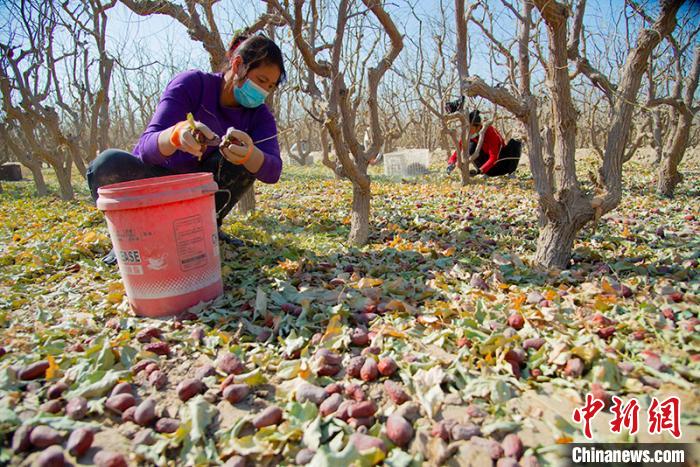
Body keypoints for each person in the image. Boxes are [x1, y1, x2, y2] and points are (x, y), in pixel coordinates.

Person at [87, 33, 286, 264]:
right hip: (158, 187)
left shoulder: (260, 116)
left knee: (248, 161)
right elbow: (145, 148)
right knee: (107, 164)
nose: (263, 91)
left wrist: (251, 154)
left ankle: (207, 230)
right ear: (238, 64)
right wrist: (175, 135)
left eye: (270, 86)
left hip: (200, 197)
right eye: (261, 80)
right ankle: (129, 240)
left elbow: (273, 171)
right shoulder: (192, 84)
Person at [445, 107, 522, 177]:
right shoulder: (469, 134)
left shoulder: (490, 132)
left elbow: (494, 157)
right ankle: (486, 173)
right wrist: (451, 162)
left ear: (478, 126)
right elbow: (459, 148)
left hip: (501, 165)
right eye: (467, 127)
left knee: (515, 143)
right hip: (488, 170)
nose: (468, 130)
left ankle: (511, 173)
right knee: (471, 147)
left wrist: (479, 171)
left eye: (470, 127)